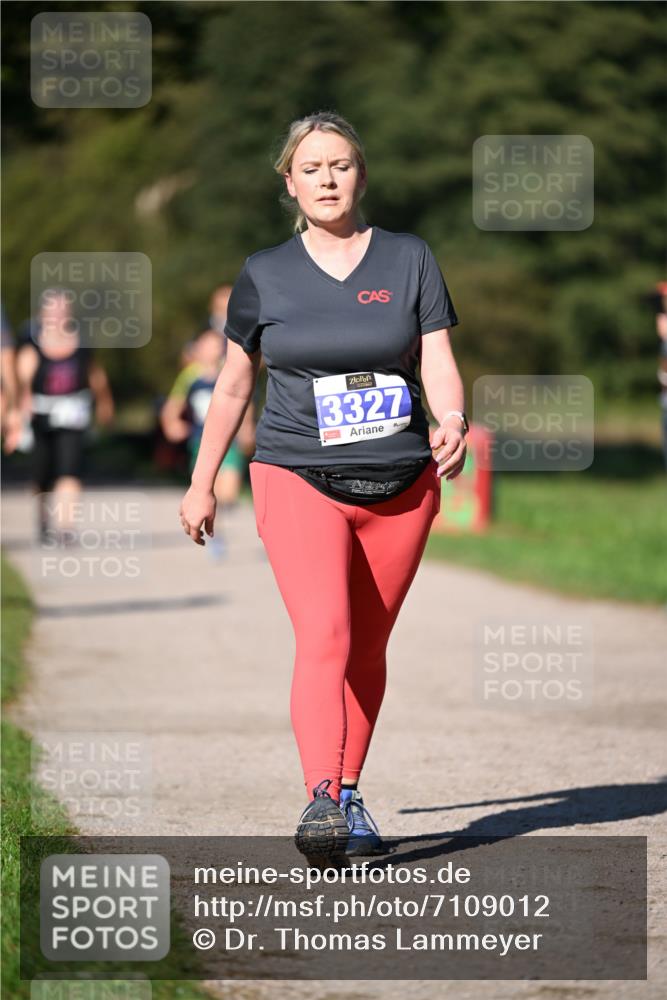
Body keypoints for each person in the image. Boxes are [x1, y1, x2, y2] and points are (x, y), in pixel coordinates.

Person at [178, 111, 466, 866]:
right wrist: (202, 482)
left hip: (400, 482)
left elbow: (435, 356)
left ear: (360, 175)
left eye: (340, 166)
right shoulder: (264, 273)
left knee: (368, 647)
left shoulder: (408, 258)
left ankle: (348, 787)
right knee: (326, 635)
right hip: (293, 471)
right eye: (312, 168)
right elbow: (234, 387)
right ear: (289, 182)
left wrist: (453, 417)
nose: (328, 179)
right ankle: (323, 800)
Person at [15, 288, 114, 543]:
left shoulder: (82, 341)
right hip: (40, 414)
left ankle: (66, 526)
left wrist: (104, 403)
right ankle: (44, 519)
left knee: (70, 469)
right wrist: (19, 405)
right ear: (43, 313)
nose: (58, 315)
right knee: (42, 474)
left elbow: (95, 375)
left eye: (62, 309)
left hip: (73, 414)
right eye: (53, 310)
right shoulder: (31, 341)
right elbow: (22, 378)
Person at [162, 328, 255, 558]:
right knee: (209, 487)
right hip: (200, 441)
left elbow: (244, 398)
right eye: (208, 344)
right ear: (198, 349)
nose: (213, 349)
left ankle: (222, 508)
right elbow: (172, 406)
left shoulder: (230, 369)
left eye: (217, 344)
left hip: (230, 439)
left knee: (229, 491)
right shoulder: (189, 376)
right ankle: (217, 536)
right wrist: (172, 424)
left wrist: (247, 429)